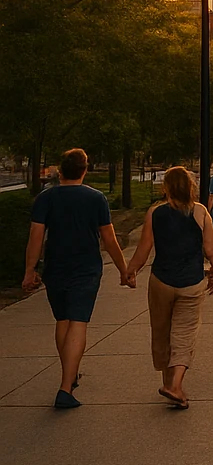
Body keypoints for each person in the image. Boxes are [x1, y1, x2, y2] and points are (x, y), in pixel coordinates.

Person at [22, 148, 131, 409]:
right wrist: (123, 269)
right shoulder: (96, 198)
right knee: (79, 321)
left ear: (61, 170)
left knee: (63, 319)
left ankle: (69, 376)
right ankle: (65, 387)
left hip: (56, 267)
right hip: (86, 267)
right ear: (85, 169)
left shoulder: (45, 198)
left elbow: (36, 236)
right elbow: (108, 238)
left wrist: (30, 270)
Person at [124, 166, 213, 409]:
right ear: (191, 188)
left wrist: (130, 270)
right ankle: (175, 385)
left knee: (162, 330)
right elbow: (210, 247)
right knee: (185, 334)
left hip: (161, 281)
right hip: (191, 282)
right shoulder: (200, 212)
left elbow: (144, 249)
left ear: (165, 188)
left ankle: (168, 382)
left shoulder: (154, 213)